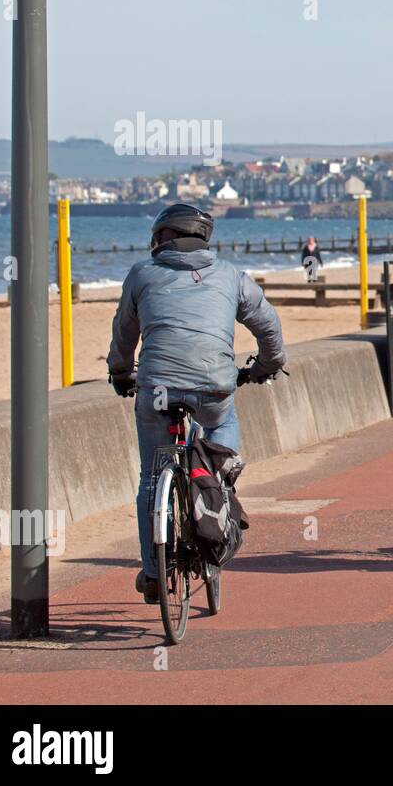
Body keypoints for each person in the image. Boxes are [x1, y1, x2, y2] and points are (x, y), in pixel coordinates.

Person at [108, 204, 286, 604]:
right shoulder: (230, 276)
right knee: (220, 441)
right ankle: (218, 486)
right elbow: (267, 324)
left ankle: (154, 573)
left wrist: (120, 374)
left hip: (156, 390)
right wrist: (266, 366)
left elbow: (123, 332)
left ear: (162, 238)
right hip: (214, 388)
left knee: (152, 479)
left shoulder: (141, 274)